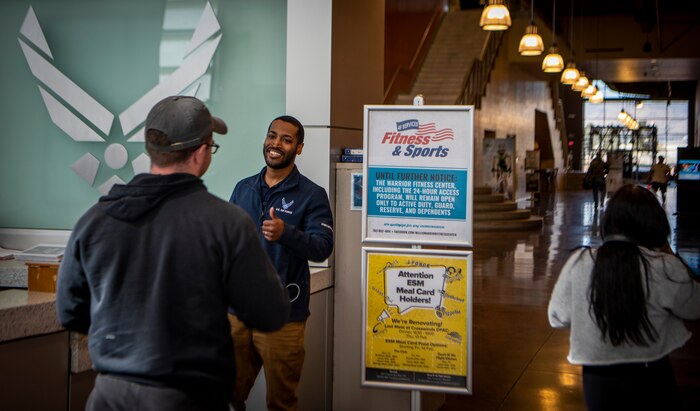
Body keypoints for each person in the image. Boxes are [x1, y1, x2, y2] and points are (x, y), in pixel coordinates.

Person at [56, 96, 290, 411]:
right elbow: (269, 312)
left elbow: (70, 310)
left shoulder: (94, 221)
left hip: (108, 396)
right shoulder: (226, 223)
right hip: (189, 397)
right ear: (201, 152)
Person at [548, 184, 700, 410]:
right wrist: (670, 254)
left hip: (597, 376)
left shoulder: (580, 262)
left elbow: (556, 317)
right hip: (651, 372)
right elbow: (694, 307)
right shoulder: (664, 266)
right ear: (655, 222)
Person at [228, 115, 334, 411]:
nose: (276, 144)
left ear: (298, 148)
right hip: (236, 313)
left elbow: (323, 247)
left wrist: (286, 234)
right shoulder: (243, 188)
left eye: (286, 139)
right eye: (272, 136)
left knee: (281, 402)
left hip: (283, 316)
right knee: (226, 395)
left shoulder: (312, 195)